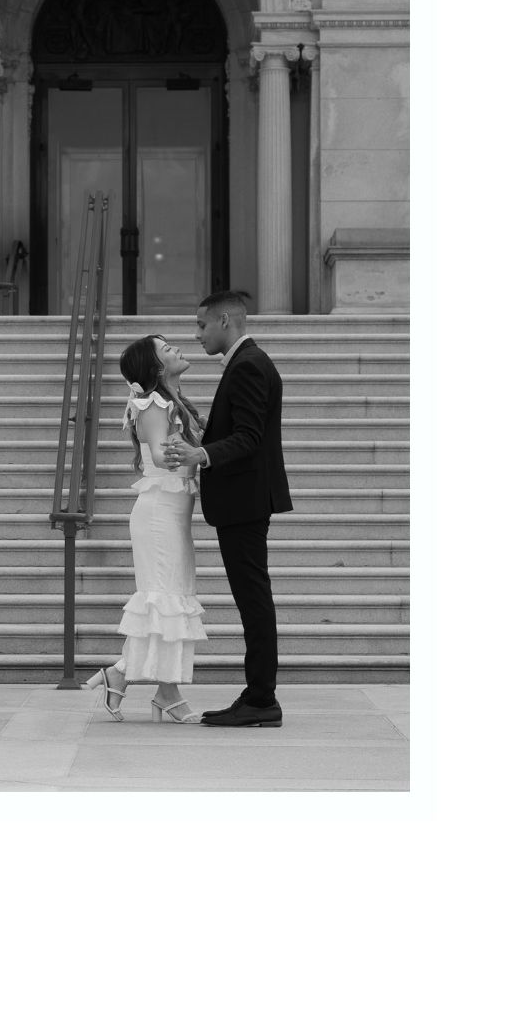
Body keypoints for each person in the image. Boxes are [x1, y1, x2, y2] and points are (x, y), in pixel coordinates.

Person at [163, 288, 292, 727]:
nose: (196, 335)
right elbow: (240, 427)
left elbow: (251, 437)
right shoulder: (248, 362)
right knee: (252, 597)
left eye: (201, 325)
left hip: (244, 502)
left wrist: (203, 454)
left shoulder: (249, 366)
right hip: (244, 500)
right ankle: (258, 695)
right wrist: (207, 426)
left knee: (253, 599)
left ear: (224, 322)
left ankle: (261, 699)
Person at [82, 336, 207, 724]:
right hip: (158, 515)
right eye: (166, 348)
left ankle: (120, 675)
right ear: (155, 367)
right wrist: (179, 453)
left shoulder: (173, 402)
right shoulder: (153, 403)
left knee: (171, 598)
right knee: (163, 600)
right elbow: (156, 452)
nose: (177, 349)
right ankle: (166, 692)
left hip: (171, 512)